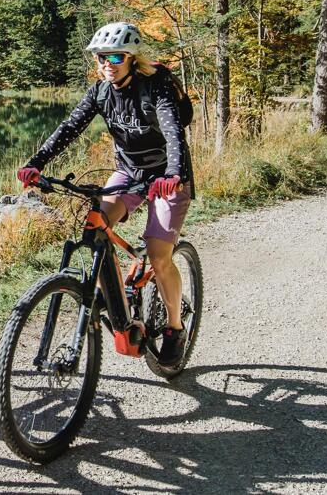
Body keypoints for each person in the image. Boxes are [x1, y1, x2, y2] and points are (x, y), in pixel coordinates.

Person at [17, 21, 195, 366]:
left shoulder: (154, 87)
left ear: (131, 58)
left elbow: (173, 131)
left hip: (166, 177)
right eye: (101, 58)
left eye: (115, 57)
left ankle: (175, 327)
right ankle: (118, 307)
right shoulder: (100, 92)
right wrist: (36, 162)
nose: (107, 64)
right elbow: (69, 127)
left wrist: (173, 173)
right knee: (94, 224)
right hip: (128, 172)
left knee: (159, 256)